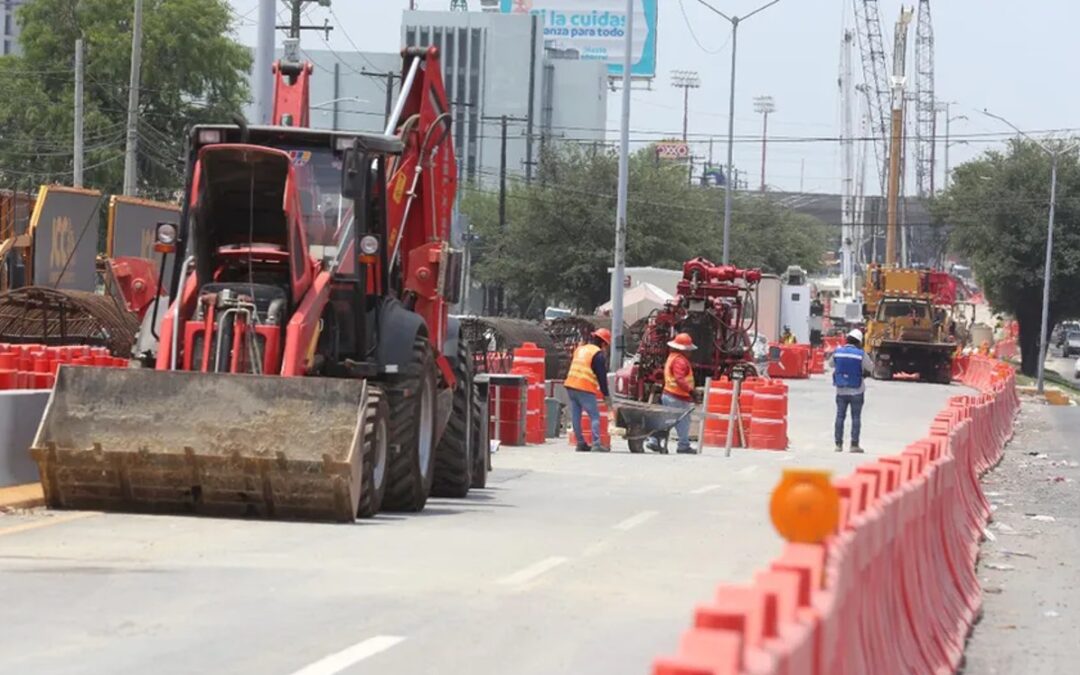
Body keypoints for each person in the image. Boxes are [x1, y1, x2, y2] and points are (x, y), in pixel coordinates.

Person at [646, 333, 698, 454]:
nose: (690, 353)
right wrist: (691, 391)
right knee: (683, 421)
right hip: (677, 396)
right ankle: (683, 445)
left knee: (667, 420)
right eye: (688, 350)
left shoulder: (672, 357)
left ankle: (654, 440)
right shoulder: (680, 361)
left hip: (670, 394)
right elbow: (680, 379)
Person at [564, 329, 612, 453]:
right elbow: (602, 377)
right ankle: (596, 444)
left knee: (576, 415)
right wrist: (606, 395)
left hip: (570, 385)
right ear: (603, 344)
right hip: (584, 387)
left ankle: (580, 443)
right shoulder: (598, 354)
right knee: (594, 416)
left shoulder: (580, 349)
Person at [832, 328, 874, 453]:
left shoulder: (838, 351)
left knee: (840, 416)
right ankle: (854, 445)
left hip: (841, 390)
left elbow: (831, 364)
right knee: (856, 417)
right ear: (859, 341)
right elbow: (870, 367)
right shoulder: (861, 354)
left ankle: (838, 445)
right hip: (857, 390)